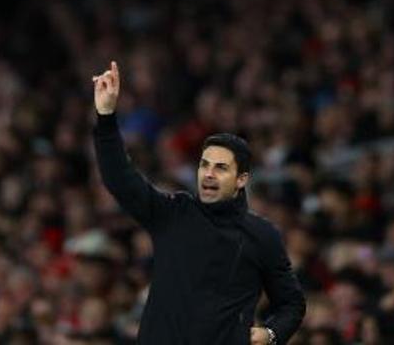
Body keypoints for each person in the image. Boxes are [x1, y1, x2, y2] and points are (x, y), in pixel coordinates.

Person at [91, 61, 306, 344]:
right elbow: (120, 179)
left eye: (220, 168)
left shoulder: (262, 235)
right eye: (204, 165)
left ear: (241, 179)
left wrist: (271, 333)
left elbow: (291, 303)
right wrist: (106, 118)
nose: (208, 174)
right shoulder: (173, 213)